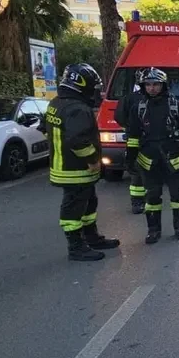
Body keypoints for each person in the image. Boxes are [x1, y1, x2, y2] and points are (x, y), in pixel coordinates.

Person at [47, 63, 121, 261]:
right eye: (92, 86)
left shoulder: (57, 103)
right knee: (74, 208)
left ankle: (91, 237)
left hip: (65, 166)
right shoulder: (77, 109)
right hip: (75, 169)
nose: (94, 91)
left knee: (89, 203)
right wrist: (92, 159)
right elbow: (77, 140)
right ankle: (76, 247)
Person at [125, 68, 179, 243]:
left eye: (156, 84)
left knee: (177, 195)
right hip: (148, 160)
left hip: (174, 158)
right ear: (143, 86)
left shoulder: (176, 106)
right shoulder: (138, 108)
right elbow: (133, 135)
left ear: (163, 85)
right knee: (152, 196)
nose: (152, 88)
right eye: (148, 85)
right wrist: (130, 157)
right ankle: (153, 231)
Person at [114, 71, 148, 213]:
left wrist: (128, 128)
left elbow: (119, 117)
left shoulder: (128, 98)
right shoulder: (163, 98)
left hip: (136, 140)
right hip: (151, 140)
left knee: (137, 171)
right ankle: (148, 200)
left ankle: (138, 203)